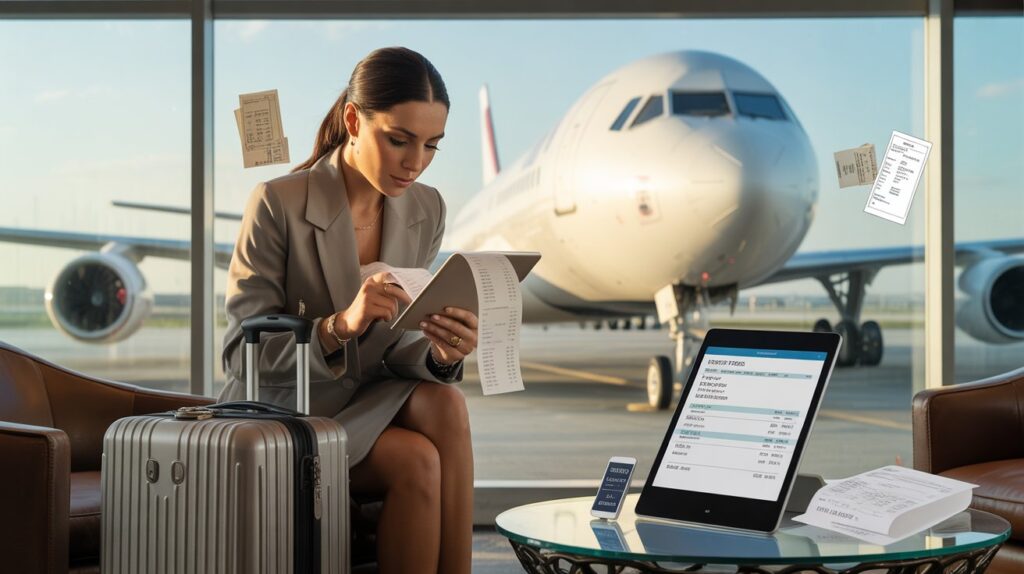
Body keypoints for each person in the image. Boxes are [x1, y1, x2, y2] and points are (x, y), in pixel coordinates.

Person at [219, 47, 475, 574]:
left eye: (432, 146)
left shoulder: (427, 209)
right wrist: (339, 327)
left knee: (447, 402)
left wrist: (441, 351)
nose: (416, 162)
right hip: (287, 406)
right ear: (355, 120)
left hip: (369, 397)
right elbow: (240, 356)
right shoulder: (276, 202)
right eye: (399, 140)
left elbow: (399, 344)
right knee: (416, 461)